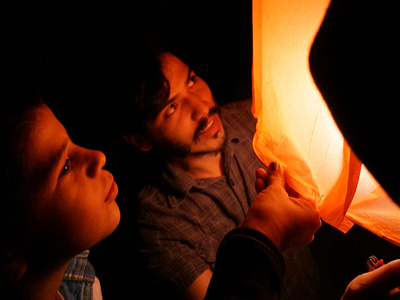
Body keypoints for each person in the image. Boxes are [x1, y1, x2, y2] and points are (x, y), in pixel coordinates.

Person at [116, 43, 320, 299]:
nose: (201, 108)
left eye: (191, 80)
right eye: (171, 107)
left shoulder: (256, 118)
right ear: (140, 140)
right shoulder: (160, 227)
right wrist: (273, 234)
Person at [0, 89, 121, 299]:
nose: (98, 157)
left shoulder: (83, 279)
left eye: (71, 143)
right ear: (11, 265)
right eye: (64, 167)